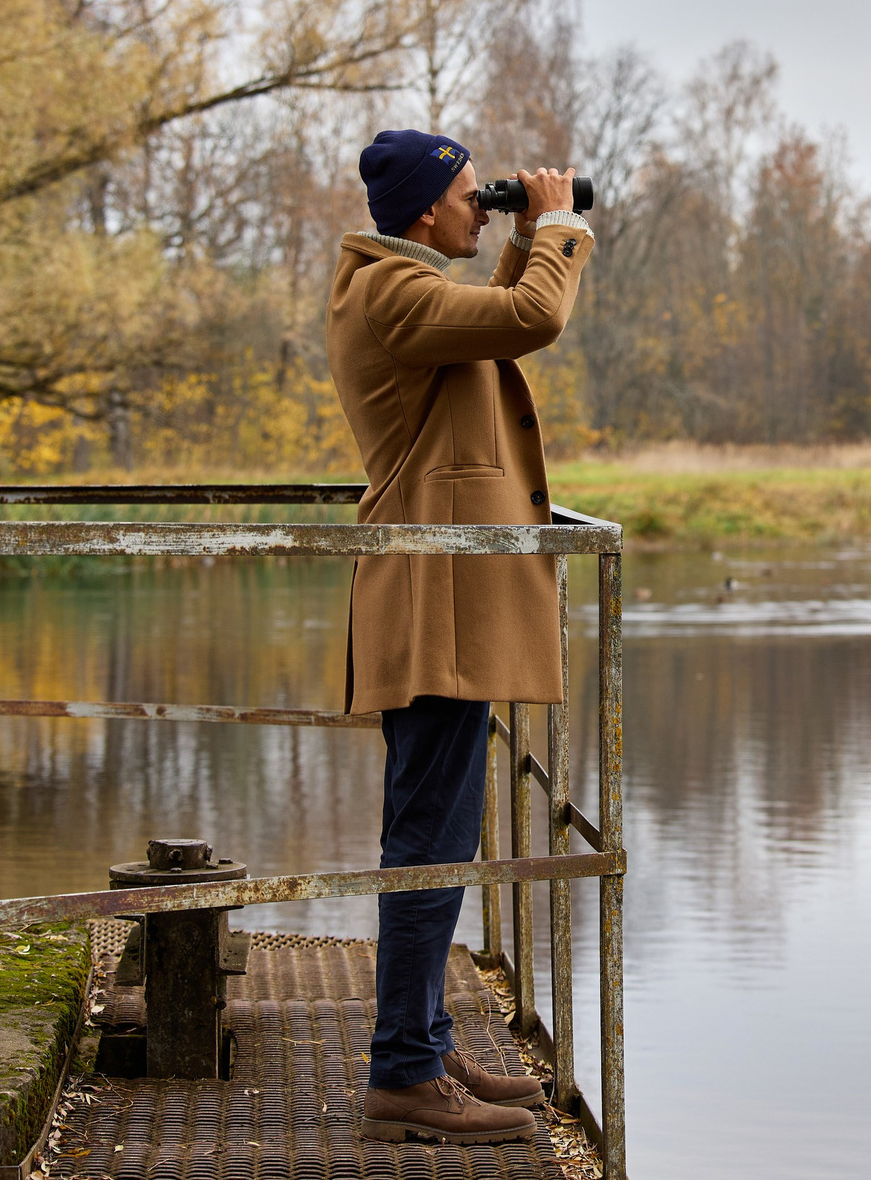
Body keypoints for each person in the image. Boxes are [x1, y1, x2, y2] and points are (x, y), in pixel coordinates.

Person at [326, 128, 594, 1145]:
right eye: (465, 194)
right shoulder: (391, 290)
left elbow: (494, 322)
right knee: (427, 836)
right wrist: (558, 222)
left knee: (438, 828)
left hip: (448, 596)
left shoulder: (402, 284)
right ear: (423, 209)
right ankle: (403, 1070)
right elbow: (528, 319)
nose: (477, 209)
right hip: (434, 601)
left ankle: (426, 1045)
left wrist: (526, 231)